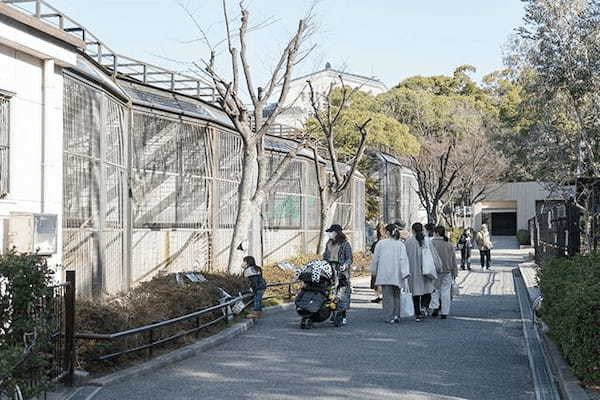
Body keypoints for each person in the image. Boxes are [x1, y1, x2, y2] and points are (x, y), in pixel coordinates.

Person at [370, 224, 410, 323]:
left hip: (385, 273)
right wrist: (405, 272)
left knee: (387, 296)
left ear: (387, 232)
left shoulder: (381, 244)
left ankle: (389, 317)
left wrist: (374, 271)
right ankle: (397, 315)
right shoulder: (400, 244)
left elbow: (376, 259)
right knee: (397, 295)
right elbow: (404, 259)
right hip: (397, 274)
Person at [405, 222, 441, 322]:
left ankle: (417, 314)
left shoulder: (408, 242)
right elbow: (434, 255)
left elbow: (404, 257)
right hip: (427, 270)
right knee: (427, 291)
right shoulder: (427, 241)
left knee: (415, 293)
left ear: (412, 230)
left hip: (413, 271)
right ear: (422, 230)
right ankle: (424, 307)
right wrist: (438, 266)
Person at [323, 224, 353, 325]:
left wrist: (345, 265)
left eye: (332, 232)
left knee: (342, 294)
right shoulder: (329, 243)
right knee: (332, 293)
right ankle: (333, 314)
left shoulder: (345, 244)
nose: (330, 234)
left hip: (342, 272)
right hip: (330, 270)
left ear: (337, 233)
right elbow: (325, 255)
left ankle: (342, 315)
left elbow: (349, 258)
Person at [430, 226, 458, 319]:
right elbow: (453, 259)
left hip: (434, 271)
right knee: (445, 291)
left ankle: (435, 308)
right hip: (447, 270)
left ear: (437, 233)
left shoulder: (431, 243)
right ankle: (444, 312)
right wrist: (455, 271)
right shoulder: (449, 244)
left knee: (434, 290)